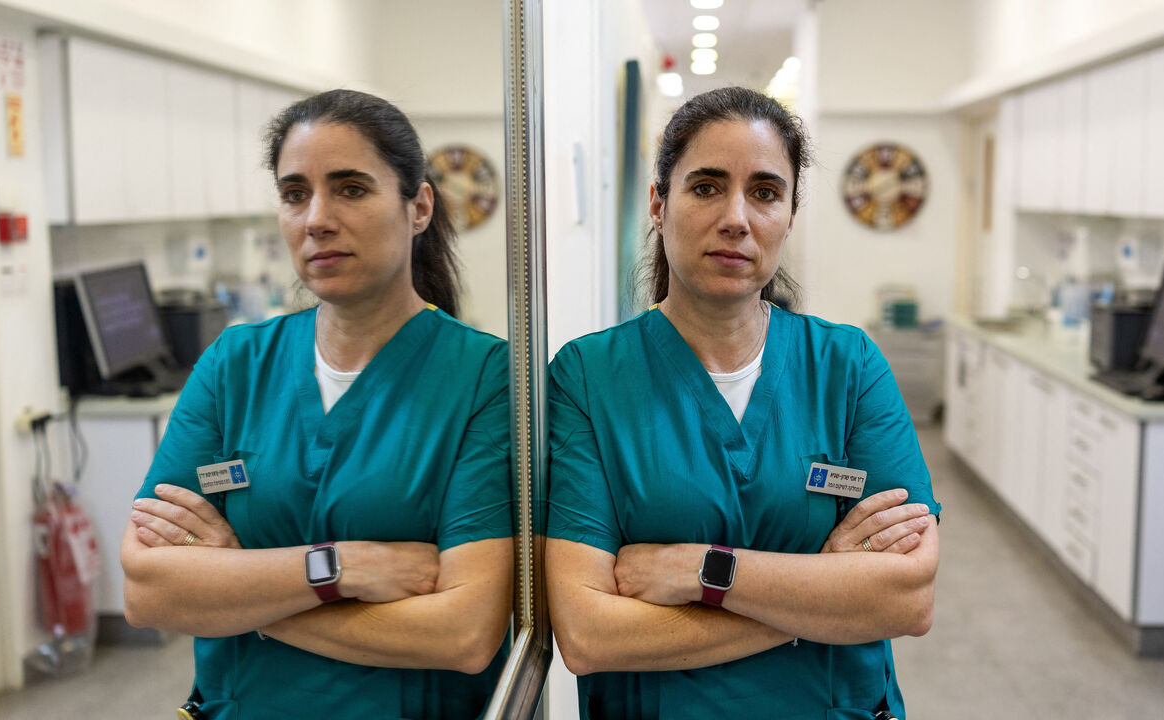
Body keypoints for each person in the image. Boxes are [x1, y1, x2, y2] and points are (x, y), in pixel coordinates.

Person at [546, 86, 941, 719]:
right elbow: (590, 635)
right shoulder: (588, 378)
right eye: (706, 187)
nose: (736, 217)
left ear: (789, 215)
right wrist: (823, 590)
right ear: (659, 204)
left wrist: (706, 570)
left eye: (764, 192)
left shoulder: (848, 366)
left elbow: (907, 599)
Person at [121, 89, 513, 719]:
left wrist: (239, 589)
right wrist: (339, 568)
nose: (317, 219)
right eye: (295, 194)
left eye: (351, 189)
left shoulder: (485, 377)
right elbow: (148, 591)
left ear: (418, 207)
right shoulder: (235, 364)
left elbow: (463, 633)